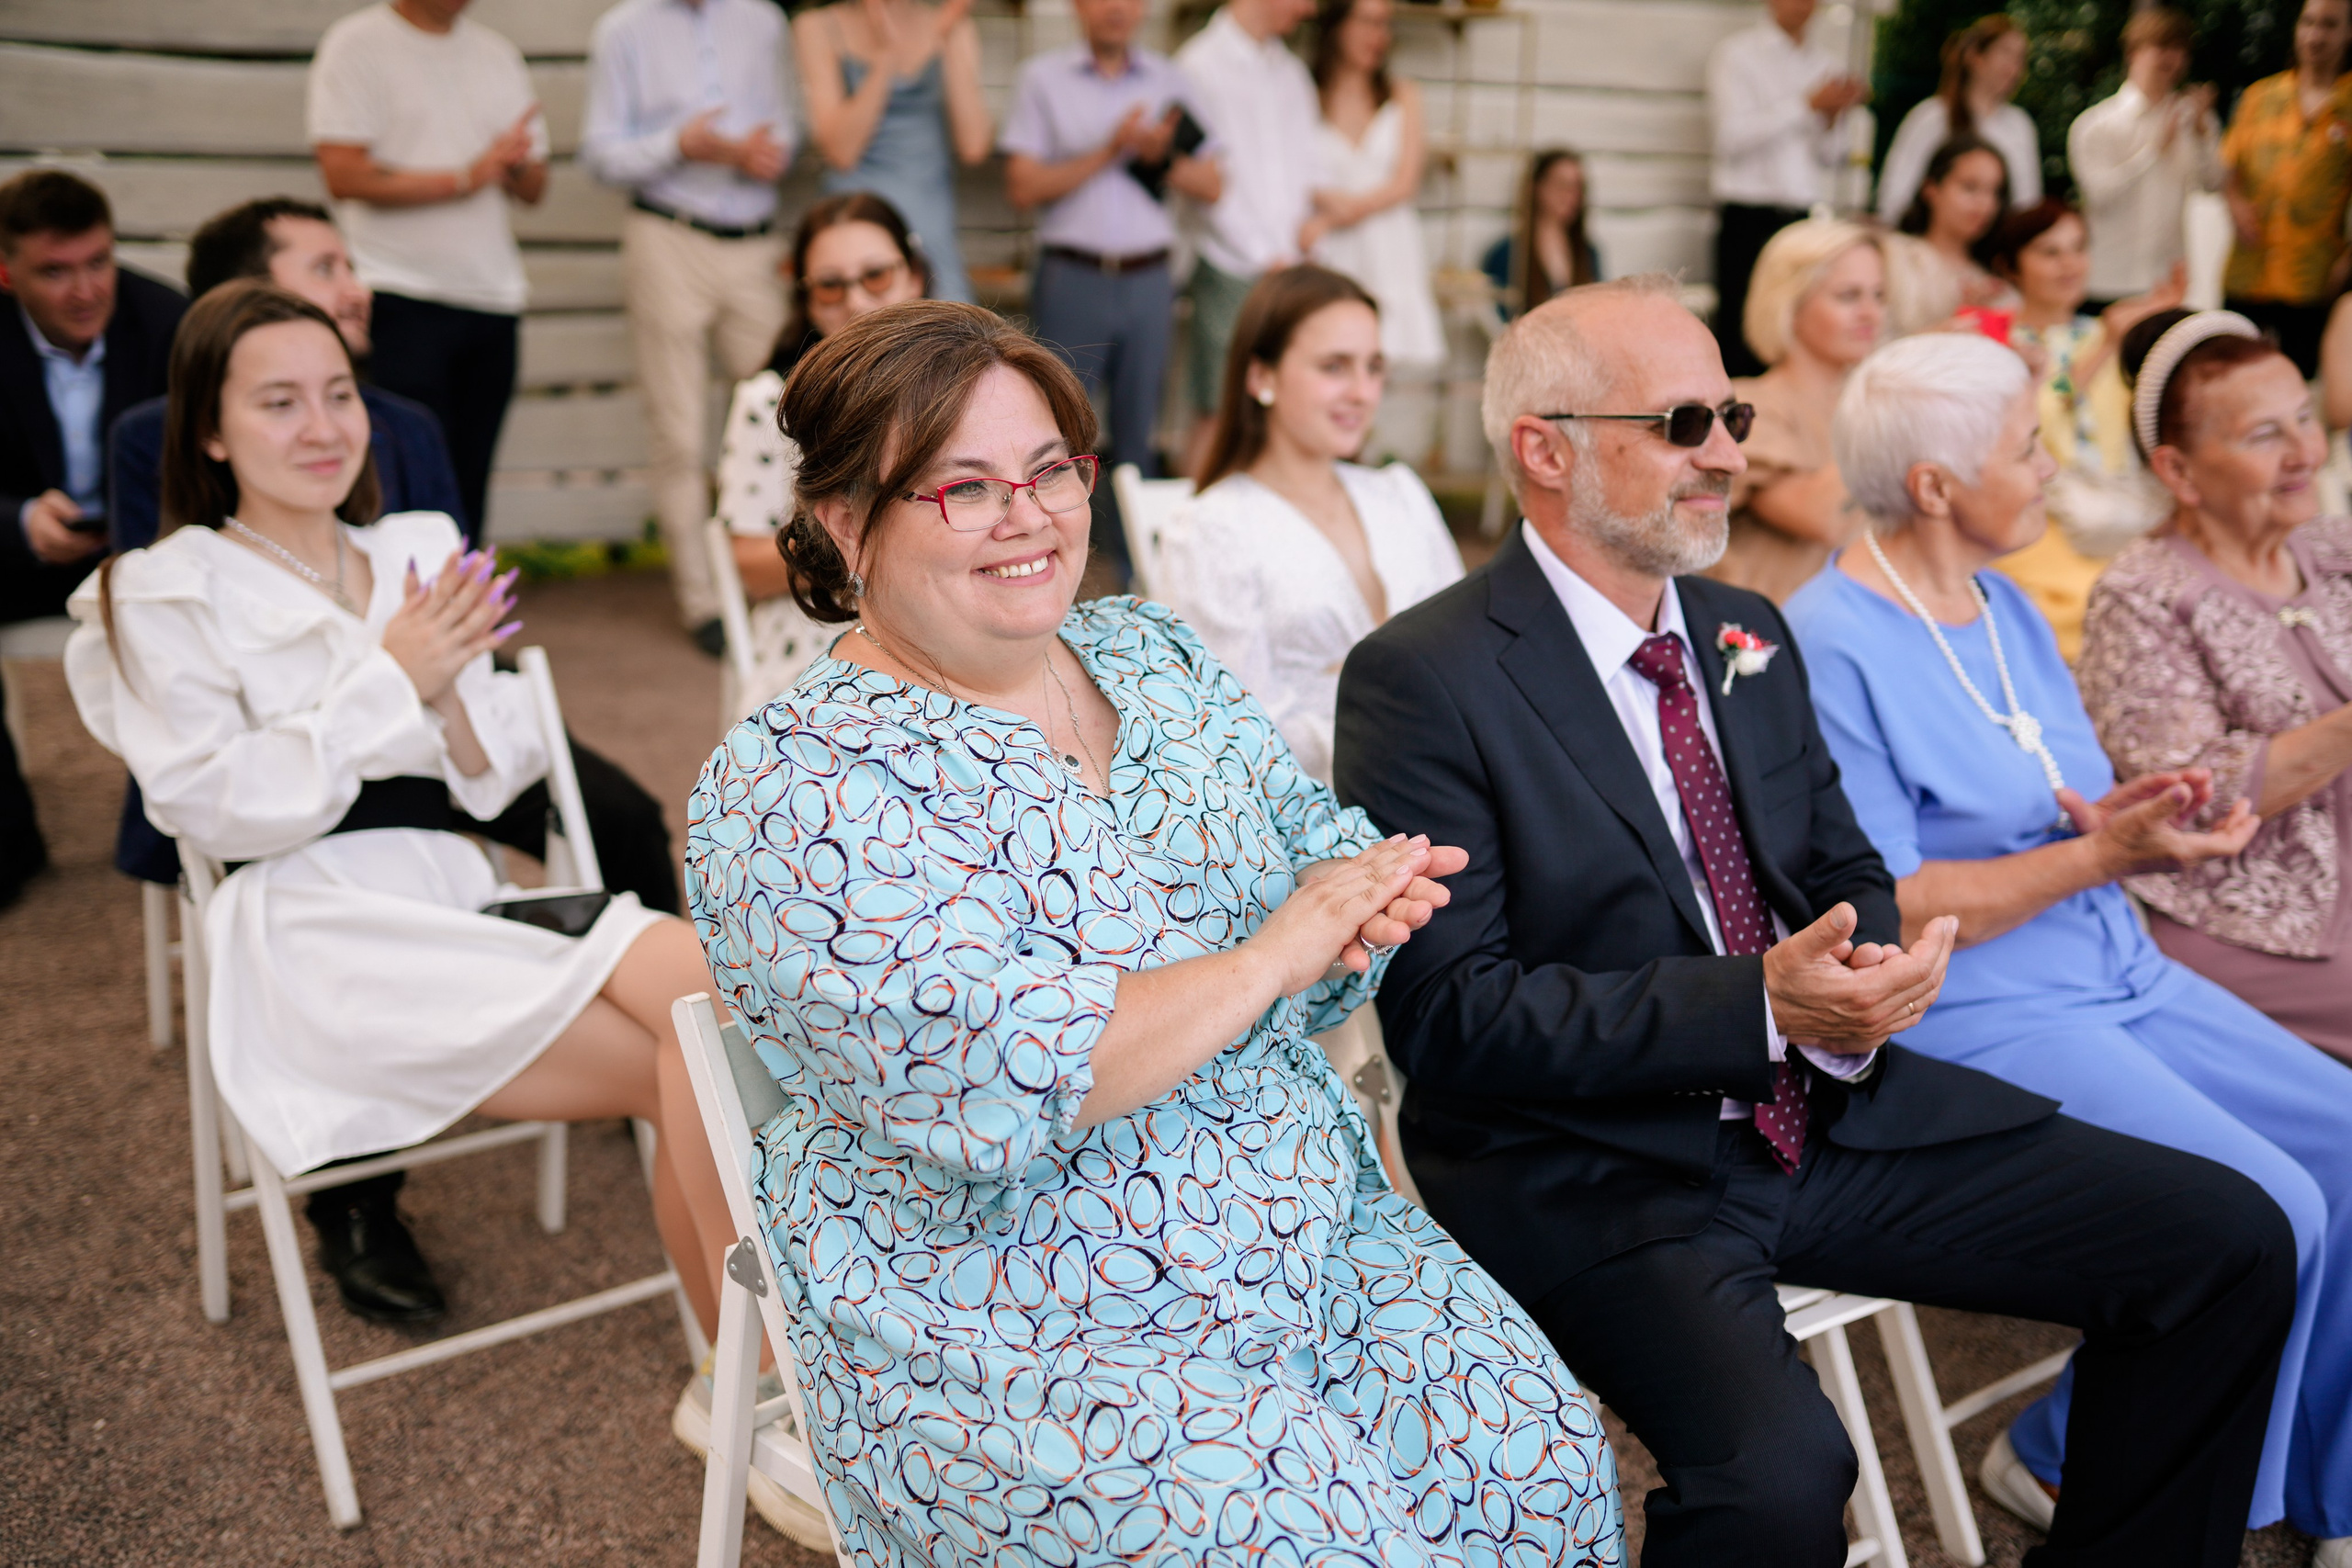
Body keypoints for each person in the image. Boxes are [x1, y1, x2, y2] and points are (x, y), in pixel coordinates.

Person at [1332, 275, 2300, 1567]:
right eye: (1684, 421)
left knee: (2229, 1239)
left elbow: (1845, 860)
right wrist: (1757, 1006)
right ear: (1545, 448)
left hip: (1829, 1111)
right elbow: (1448, 1017)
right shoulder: (1423, 676)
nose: (1730, 448)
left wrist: (1873, 967)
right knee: (1787, 1479)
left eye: (1729, 411)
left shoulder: (1749, 630)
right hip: (1599, 1167)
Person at [684, 297, 1625, 1566]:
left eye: (1050, 470)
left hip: (1304, 1234)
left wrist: (1361, 896)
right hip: (1018, 1312)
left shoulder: (1152, 654)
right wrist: (1280, 948)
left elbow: (1305, 840)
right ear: (848, 520)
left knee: (1541, 1464)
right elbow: (997, 1075)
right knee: (1301, 1544)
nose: (1027, 515)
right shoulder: (794, 785)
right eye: (962, 487)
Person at [59, 279, 753, 1500]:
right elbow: (216, 805)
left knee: (705, 1011)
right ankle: (761, 1388)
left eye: (338, 393)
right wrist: (389, 680)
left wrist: (438, 695)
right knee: (691, 1044)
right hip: (318, 932)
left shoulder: (420, 547)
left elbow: (504, 768)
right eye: (278, 401)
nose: (323, 425)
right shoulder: (160, 591)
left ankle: (740, 1381)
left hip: (460, 895)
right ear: (210, 430)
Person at [1786, 326, 2352, 1558]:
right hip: (1984, 1002)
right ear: (1936, 486)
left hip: (2115, 964)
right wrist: (2105, 855)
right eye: (2026, 446)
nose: (2052, 469)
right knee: (2275, 1205)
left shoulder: (1997, 604)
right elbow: (1894, 896)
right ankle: (2078, 1462)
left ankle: (2328, 1493)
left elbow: (2056, 790)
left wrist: (2130, 821)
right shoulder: (1831, 636)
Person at [2080, 308, 2352, 1072]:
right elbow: (2189, 791)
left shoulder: (2332, 547)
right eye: (2265, 435)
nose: (2306, 451)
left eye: (2304, 416)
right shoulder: (2142, 594)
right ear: (2178, 471)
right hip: (2263, 925)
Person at [1159, 265, 1461, 783]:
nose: (1363, 392)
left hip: (1447, 781)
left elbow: (1468, 653)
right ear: (1262, 377)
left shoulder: (1398, 494)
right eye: (1334, 367)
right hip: (1313, 815)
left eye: (1374, 367)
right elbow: (1237, 729)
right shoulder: (1212, 527)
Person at [582, 0, 797, 653]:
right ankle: (703, 601)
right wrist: (681, 144)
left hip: (755, 243)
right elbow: (600, 153)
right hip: (667, 233)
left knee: (790, 410)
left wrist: (768, 152)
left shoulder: (763, 20)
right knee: (677, 429)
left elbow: (788, 122)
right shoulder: (622, 30)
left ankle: (795, 567)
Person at [0, 170, 186, 908]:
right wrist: (18, 520)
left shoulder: (167, 320)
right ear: (7, 272)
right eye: (56, 270)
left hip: (142, 549)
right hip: (16, 552)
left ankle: (170, 835)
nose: (85, 290)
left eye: (98, 262)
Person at [307, 0, 548, 545]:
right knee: (402, 481)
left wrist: (511, 163)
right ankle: (399, 616)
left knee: (469, 481)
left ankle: (466, 615)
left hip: (493, 297)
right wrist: (465, 176)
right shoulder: (356, 45)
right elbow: (342, 173)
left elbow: (535, 188)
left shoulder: (497, 54)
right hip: (398, 294)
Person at [1001, 0, 1220, 581]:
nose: (1117, 8)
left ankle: (1139, 574)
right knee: (1056, 435)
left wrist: (1161, 156)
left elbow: (1214, 183)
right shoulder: (1042, 79)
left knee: (1140, 430)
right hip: (1073, 276)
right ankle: (1050, 570)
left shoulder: (1173, 81)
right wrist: (1110, 149)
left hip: (1150, 278)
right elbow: (1022, 185)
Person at [712, 192, 925, 717]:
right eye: (831, 286)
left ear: (914, 275)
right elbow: (751, 566)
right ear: (806, 299)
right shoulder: (772, 404)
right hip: (818, 630)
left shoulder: (965, 391)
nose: (855, 301)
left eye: (875, 276)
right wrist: (880, 555)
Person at [1980, 200, 2183, 658]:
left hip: (2123, 519)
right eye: (2050, 253)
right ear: (2011, 266)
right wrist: (2108, 345)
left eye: (2077, 249)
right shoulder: (1992, 337)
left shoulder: (2109, 330)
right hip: (2038, 526)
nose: (2069, 265)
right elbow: (2037, 421)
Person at [1176, 0, 1323, 477]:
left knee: (1275, 412)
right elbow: (1203, 182)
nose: (1310, 9)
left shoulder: (1293, 73)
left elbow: (1305, 166)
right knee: (1218, 410)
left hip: (1290, 263)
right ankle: (1184, 534)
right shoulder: (1198, 66)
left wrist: (1301, 244)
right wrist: (1264, 254)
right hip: (1230, 264)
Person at [1705, 218, 1881, 604]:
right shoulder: (1749, 408)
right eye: (1849, 296)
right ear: (1789, 302)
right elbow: (1825, 519)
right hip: (1774, 635)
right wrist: (1902, 402)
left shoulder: (1865, 404)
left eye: (1879, 295)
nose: (1871, 313)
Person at [1704, 0, 1869, 379]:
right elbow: (1731, 137)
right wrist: (1806, 105)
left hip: (1802, 216)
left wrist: (1831, 116)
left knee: (1791, 328)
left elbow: (1831, 155)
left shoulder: (1825, 64)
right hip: (1748, 213)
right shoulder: (1737, 54)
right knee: (1740, 331)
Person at [793, 0, 990, 306]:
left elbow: (974, 146)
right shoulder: (818, 26)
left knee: (947, 342)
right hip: (855, 226)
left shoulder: (952, 25)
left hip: (930, 228)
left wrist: (949, 38)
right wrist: (885, 59)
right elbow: (841, 151)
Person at [1307, 0, 1444, 372]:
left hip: (1387, 243)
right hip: (1332, 253)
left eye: (1385, 25)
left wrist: (1337, 217)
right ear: (1337, 26)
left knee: (1390, 363)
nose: (1378, 36)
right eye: (1368, 23)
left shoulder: (1403, 95)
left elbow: (1405, 183)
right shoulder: (1306, 94)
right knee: (1329, 354)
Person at [2222, 0, 2352, 378]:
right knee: (2233, 375)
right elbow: (2231, 165)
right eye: (2308, 23)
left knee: (2297, 383)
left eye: (2329, 25)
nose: (2315, 36)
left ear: (2347, 33)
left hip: (2312, 277)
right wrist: (2235, 203)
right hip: (2248, 270)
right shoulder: (2260, 97)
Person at [2065, 6, 2222, 311]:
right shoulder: (2096, 125)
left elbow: (2213, 185)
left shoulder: (2195, 119)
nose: (2169, 58)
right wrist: (2153, 151)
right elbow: (2099, 196)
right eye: (2160, 46)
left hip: (2166, 283)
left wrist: (2204, 137)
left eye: (2178, 48)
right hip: (2105, 278)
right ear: (2134, 51)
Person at [1878, 15, 2041, 225]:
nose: (2014, 68)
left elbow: (2027, 199)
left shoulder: (2020, 124)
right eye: (2006, 53)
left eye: (2020, 58)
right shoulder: (1931, 116)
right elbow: (1895, 192)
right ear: (1976, 57)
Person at [1895, 133, 2014, 313]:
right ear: (1931, 188)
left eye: (1995, 192)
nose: (1985, 204)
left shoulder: (1995, 278)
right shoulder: (1895, 259)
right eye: (1970, 187)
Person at [1481, 148, 1601, 319]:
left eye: (1578, 188)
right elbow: (1499, 319)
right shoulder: (1507, 254)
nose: (1571, 196)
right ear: (1537, 187)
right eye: (1562, 185)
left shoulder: (1588, 253)